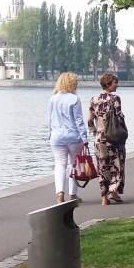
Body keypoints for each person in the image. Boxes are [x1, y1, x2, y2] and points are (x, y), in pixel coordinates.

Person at [48, 71, 88, 204]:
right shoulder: (74, 99)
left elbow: (50, 119)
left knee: (59, 164)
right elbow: (79, 120)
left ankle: (60, 193)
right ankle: (72, 194)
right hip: (73, 137)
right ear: (72, 84)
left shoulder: (52, 99)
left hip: (56, 137)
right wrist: (85, 138)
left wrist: (50, 134)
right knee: (74, 164)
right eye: (76, 83)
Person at [88, 72, 127, 206]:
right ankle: (113, 190)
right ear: (108, 84)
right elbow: (119, 117)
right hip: (113, 138)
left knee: (102, 166)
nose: (117, 85)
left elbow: (90, 120)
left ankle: (105, 197)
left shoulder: (94, 99)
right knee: (117, 165)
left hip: (99, 139)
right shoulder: (115, 98)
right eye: (115, 82)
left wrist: (95, 132)